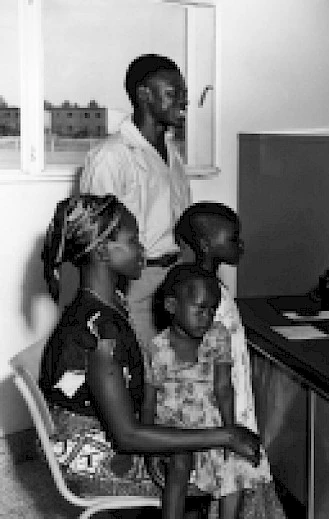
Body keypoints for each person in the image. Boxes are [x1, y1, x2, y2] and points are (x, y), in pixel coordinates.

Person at [39, 194, 261, 513]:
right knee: (224, 466)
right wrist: (225, 435)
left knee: (194, 440)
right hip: (91, 460)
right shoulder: (101, 330)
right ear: (102, 252)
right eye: (133, 241)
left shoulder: (105, 304)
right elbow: (127, 436)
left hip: (94, 435)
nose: (142, 249)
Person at [172, 202, 284, 517]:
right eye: (233, 238)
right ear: (205, 244)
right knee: (232, 478)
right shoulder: (202, 298)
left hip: (233, 397)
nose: (241, 244)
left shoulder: (214, 289)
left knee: (233, 484)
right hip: (221, 404)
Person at [80, 53, 191, 353]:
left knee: (172, 372)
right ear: (144, 95)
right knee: (139, 370)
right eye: (173, 93)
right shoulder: (110, 157)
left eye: (185, 94)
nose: (184, 101)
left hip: (175, 279)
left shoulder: (172, 154)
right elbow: (95, 241)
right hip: (134, 284)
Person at [144, 264, 257, 519]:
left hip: (211, 427)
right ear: (172, 306)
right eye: (200, 309)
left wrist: (230, 431)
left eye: (212, 310)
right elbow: (148, 403)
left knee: (235, 464)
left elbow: (224, 387)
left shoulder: (218, 336)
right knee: (180, 461)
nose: (207, 318)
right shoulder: (157, 348)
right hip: (173, 431)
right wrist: (150, 450)